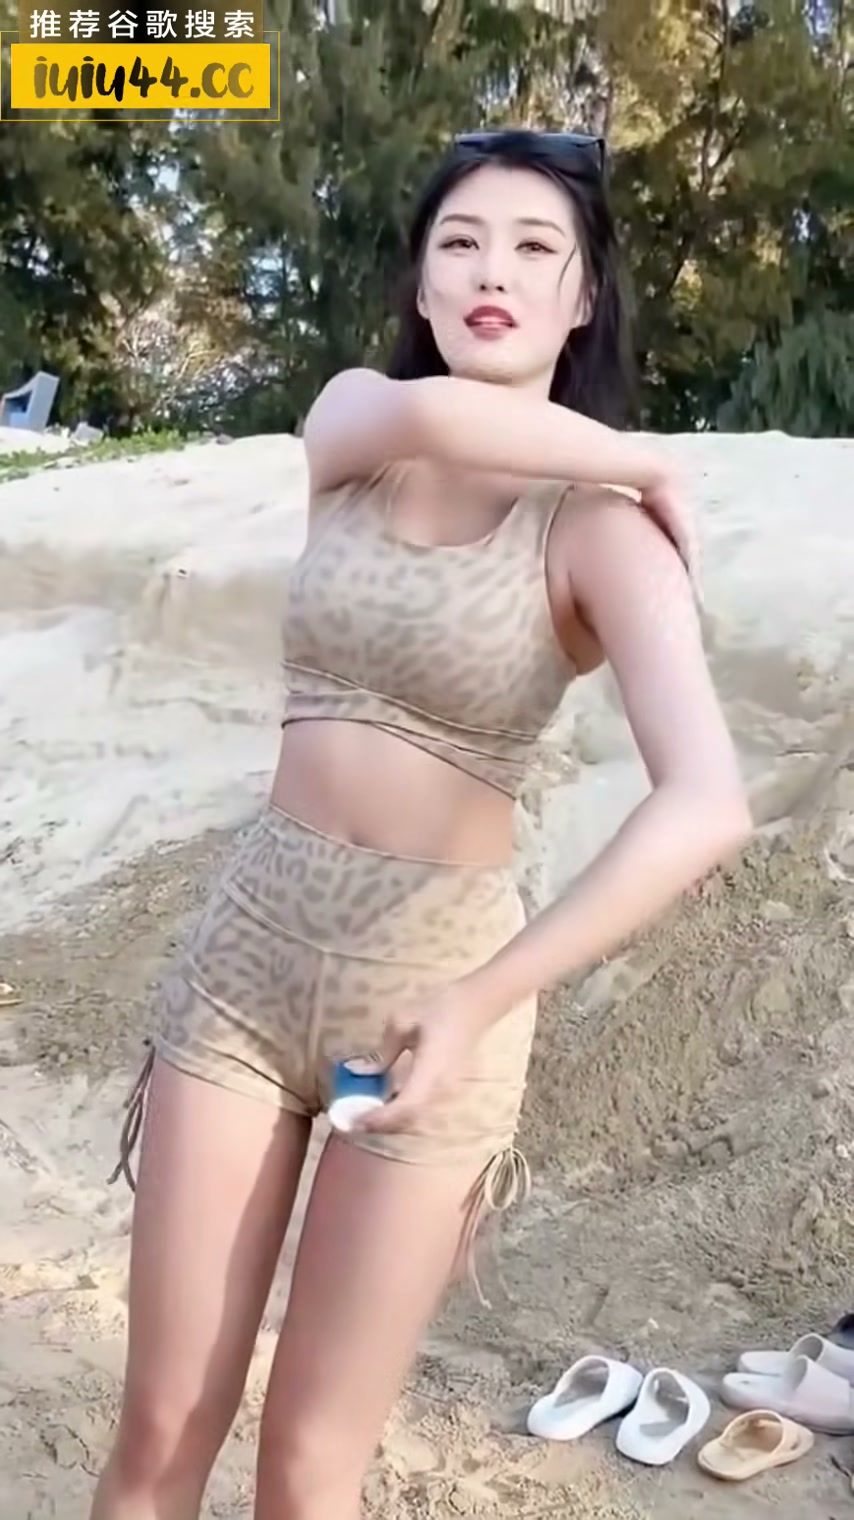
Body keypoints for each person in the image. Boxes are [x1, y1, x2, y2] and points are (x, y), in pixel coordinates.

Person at [89, 128, 751, 1520]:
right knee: (160, 1426)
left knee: (308, 1466)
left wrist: (478, 999)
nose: (491, 271)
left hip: (421, 1016)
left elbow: (707, 802)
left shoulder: (599, 533)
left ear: (583, 296)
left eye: (533, 247)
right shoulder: (358, 426)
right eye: (460, 243)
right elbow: (446, 423)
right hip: (245, 973)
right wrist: (648, 453)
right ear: (423, 282)